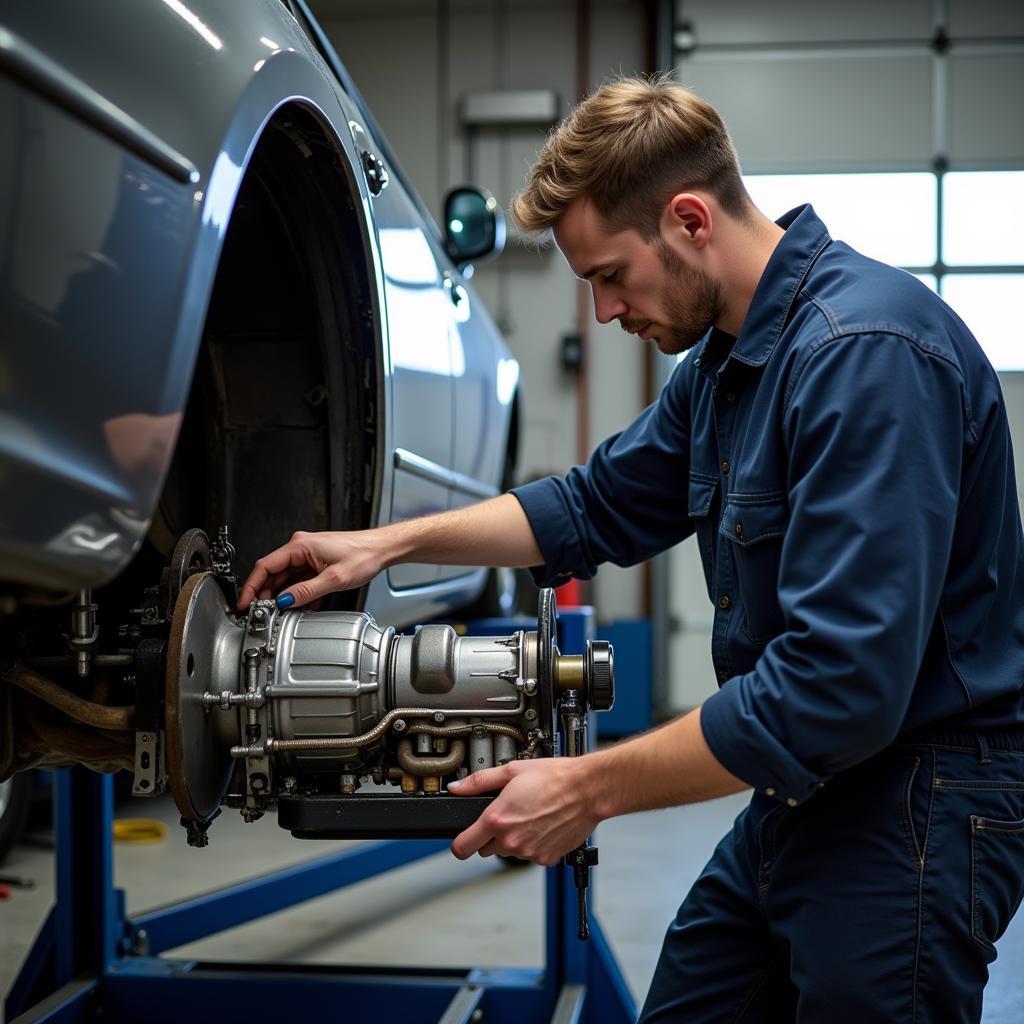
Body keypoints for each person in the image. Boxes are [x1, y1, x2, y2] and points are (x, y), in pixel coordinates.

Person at [238, 76, 1024, 1022]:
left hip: (917, 795)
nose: (605, 311)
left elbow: (836, 687)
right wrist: (382, 546)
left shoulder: (868, 354)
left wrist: (588, 788)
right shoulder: (726, 371)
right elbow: (589, 506)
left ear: (690, 220)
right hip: (806, 787)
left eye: (610, 274)